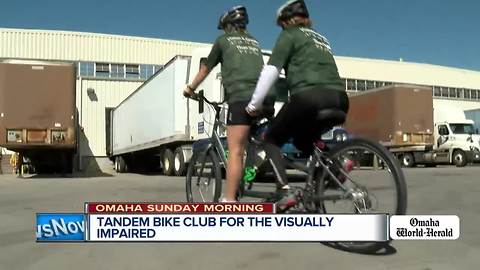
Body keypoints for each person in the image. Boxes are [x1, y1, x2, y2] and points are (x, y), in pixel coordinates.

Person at [246, 0, 350, 205]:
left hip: (309, 97)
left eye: (281, 24)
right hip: (340, 99)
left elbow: (271, 71)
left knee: (271, 138)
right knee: (303, 139)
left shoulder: (289, 35)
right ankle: (336, 165)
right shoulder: (321, 39)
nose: (282, 28)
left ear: (286, 21)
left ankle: (285, 191)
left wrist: (253, 105)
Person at [184, 6, 272, 202]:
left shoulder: (223, 41)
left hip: (241, 97)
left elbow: (206, 69)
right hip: (264, 97)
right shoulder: (255, 42)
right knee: (250, 140)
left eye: (224, 28)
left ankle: (229, 200)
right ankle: (252, 167)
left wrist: (190, 88)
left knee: (235, 151)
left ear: (228, 26)